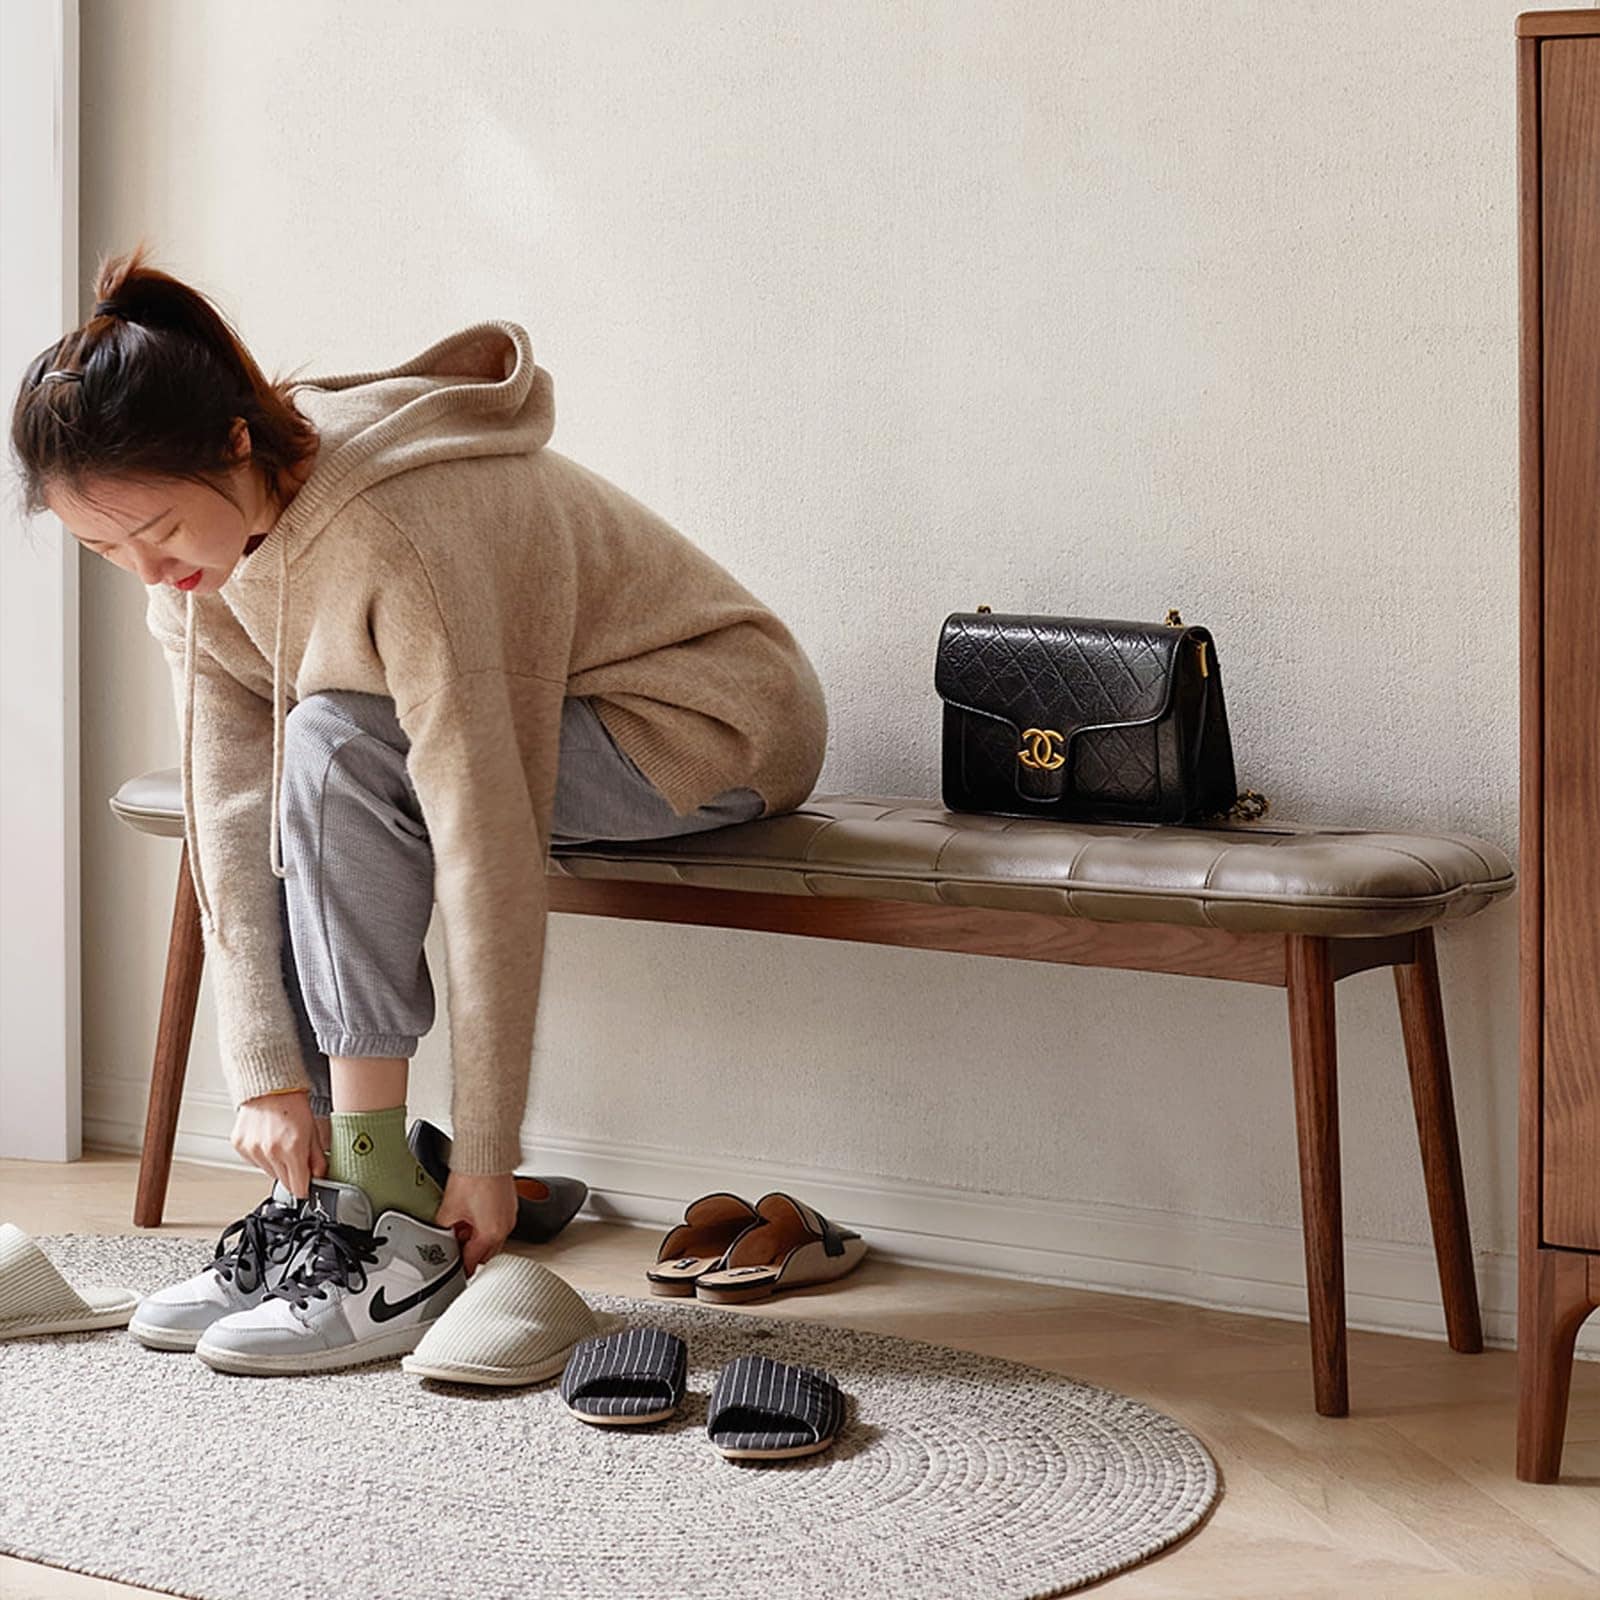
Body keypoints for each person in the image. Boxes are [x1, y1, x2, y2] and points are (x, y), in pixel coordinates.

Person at [7, 243, 828, 1373]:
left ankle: (383, 1193)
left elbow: (486, 841)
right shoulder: (196, 576)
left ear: (234, 446)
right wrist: (266, 1076)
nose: (147, 570)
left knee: (335, 745)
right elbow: (227, 806)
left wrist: (486, 1151)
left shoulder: (396, 530)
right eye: (105, 550)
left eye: (156, 531)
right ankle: (335, 1207)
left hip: (701, 721)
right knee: (313, 756)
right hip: (536, 720)